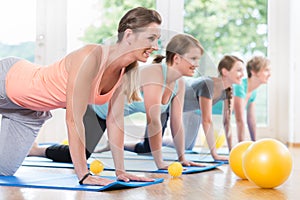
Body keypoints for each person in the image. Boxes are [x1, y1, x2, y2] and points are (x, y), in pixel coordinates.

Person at [0, 7, 162, 186]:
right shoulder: (90, 57)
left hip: (29, 112)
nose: (155, 47)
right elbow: (74, 119)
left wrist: (121, 171)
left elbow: (115, 121)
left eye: (157, 40)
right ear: (129, 35)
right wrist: (84, 174)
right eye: (151, 38)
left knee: (3, 169)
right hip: (9, 80)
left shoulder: (124, 72)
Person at [30, 33, 205, 169]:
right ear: (177, 58)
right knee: (79, 155)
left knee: (152, 137)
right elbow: (153, 121)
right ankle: (36, 150)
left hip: (115, 115)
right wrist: (160, 164)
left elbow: (177, 123)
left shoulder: (179, 84)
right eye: (194, 58)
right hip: (97, 108)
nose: (197, 64)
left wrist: (182, 158)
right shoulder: (155, 74)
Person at [163, 55, 245, 159]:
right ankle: (158, 140)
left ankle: (160, 141)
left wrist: (231, 151)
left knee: (187, 146)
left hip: (189, 109)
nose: (243, 74)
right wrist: (215, 155)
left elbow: (227, 121)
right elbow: (206, 120)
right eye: (239, 70)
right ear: (225, 72)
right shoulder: (208, 84)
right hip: (166, 103)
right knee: (147, 147)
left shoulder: (229, 90)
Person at [233, 56, 271, 143]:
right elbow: (239, 120)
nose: (270, 74)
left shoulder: (253, 91)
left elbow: (251, 119)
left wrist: (254, 142)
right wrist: (241, 146)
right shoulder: (240, 86)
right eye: (266, 70)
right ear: (253, 72)